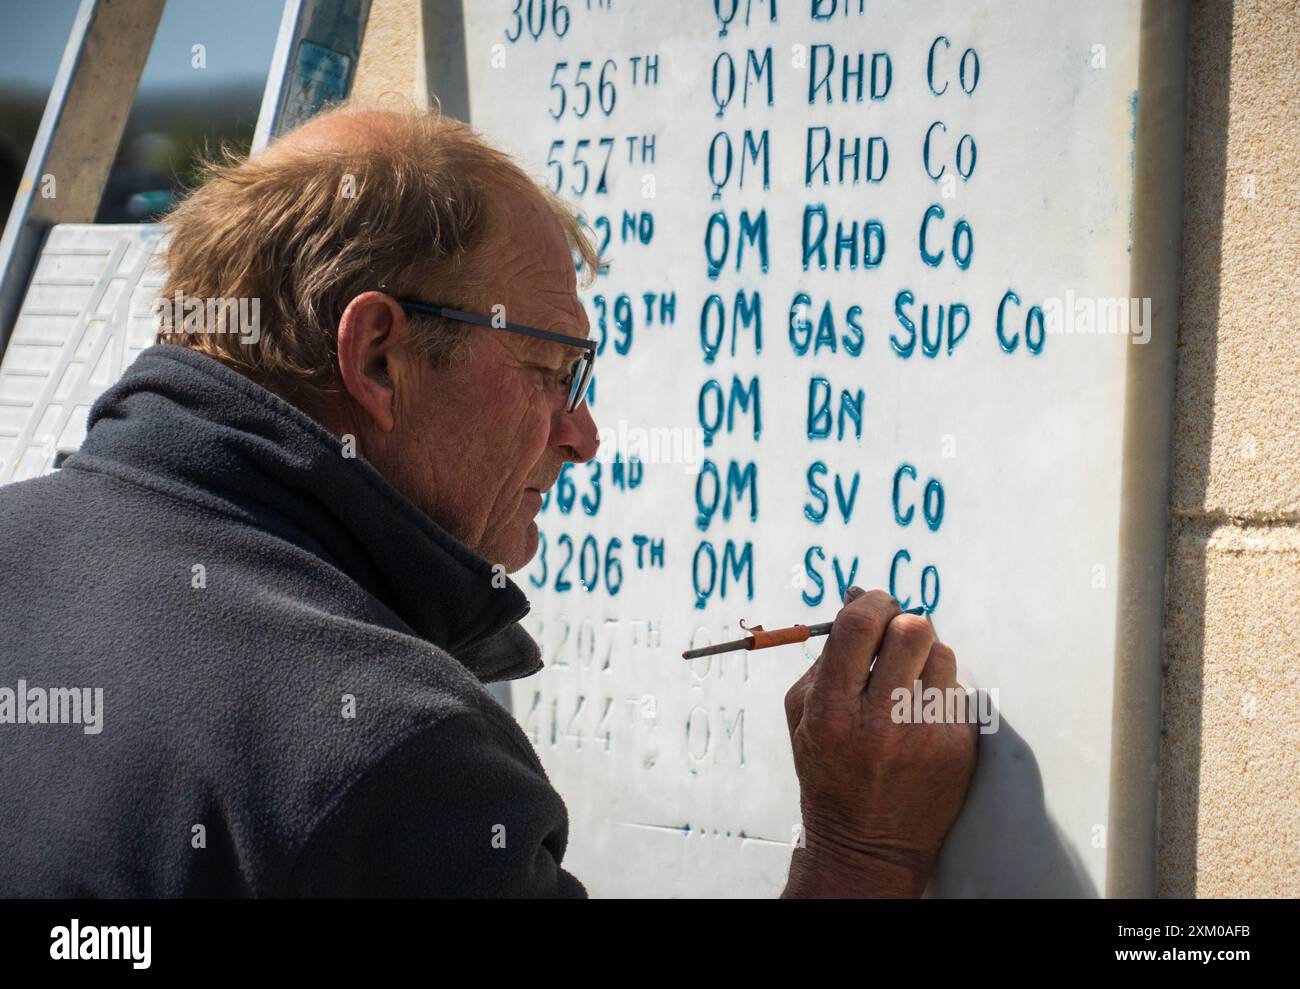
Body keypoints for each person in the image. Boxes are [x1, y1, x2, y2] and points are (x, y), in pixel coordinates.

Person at [0, 106, 976, 897]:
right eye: (552, 367)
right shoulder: (391, 755)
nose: (581, 435)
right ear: (378, 355)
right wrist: (861, 856)